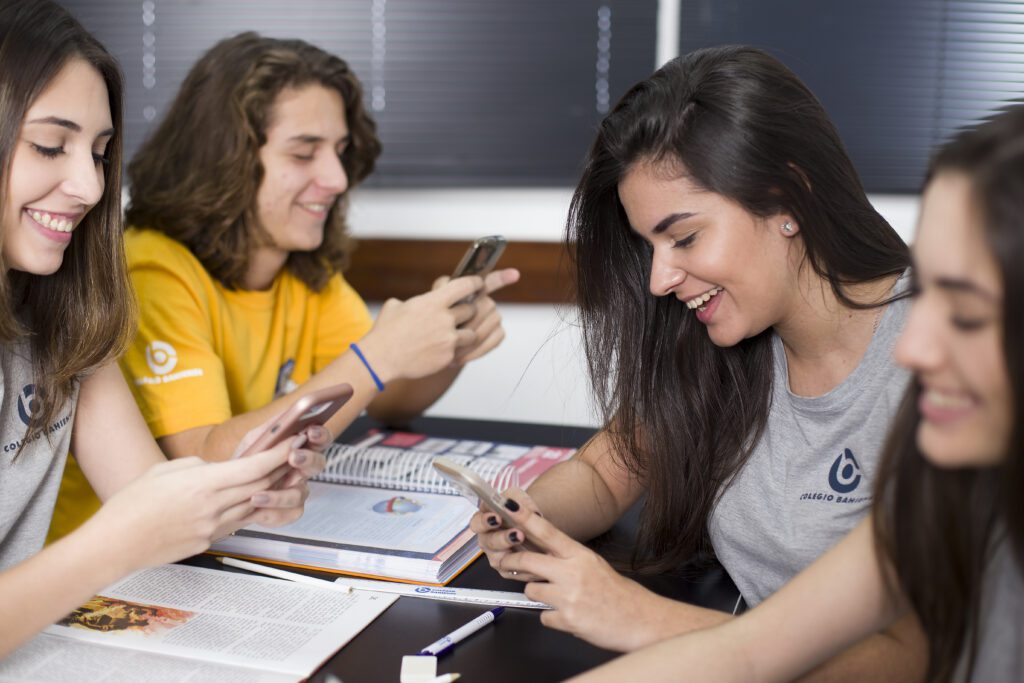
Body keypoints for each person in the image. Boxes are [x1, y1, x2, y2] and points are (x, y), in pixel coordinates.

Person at [470, 45, 927, 679]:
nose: (660, 279)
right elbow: (604, 474)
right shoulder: (727, 340)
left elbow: (914, 660)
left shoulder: (941, 360)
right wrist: (529, 522)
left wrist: (639, 616)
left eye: (684, 237)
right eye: (649, 245)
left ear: (787, 197)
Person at [567, 104, 1024, 683]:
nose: (910, 348)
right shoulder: (946, 475)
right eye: (927, 291)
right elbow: (756, 650)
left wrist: (642, 617)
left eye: (964, 312)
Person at [49, 31, 519, 538]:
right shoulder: (152, 270)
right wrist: (378, 355)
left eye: (339, 151)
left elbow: (386, 397)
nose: (338, 178)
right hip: (115, 571)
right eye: (303, 153)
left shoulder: (301, 268)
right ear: (224, 160)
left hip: (217, 547)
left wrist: (445, 345)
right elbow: (204, 463)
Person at [0, 0, 323, 656]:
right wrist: (117, 538)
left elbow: (146, 490)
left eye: (99, 152)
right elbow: (132, 523)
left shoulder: (62, 316)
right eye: (49, 145)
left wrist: (244, 492)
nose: (90, 186)